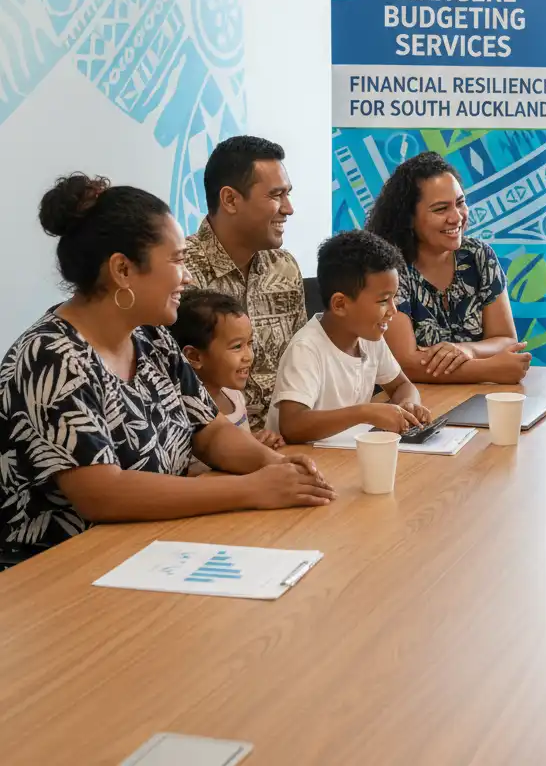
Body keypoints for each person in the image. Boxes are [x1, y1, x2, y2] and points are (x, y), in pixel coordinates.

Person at [0, 175, 334, 569]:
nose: (187, 275)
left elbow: (210, 431)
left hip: (153, 554)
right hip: (61, 576)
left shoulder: (152, 337)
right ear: (122, 270)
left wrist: (273, 466)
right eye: (176, 260)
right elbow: (104, 494)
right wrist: (250, 489)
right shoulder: (49, 357)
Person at [365, 152, 531, 384]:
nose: (456, 217)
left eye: (460, 203)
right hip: (410, 403)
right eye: (441, 209)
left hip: (474, 397)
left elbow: (506, 340)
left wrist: (467, 350)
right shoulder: (388, 267)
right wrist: (488, 369)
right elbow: (405, 364)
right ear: (409, 218)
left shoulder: (479, 255)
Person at [185, 135, 306, 430]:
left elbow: (302, 368)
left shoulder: (285, 267)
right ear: (230, 199)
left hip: (292, 437)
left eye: (287, 194)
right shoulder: (180, 273)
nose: (288, 208)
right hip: (212, 454)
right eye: (276, 195)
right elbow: (174, 391)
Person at [269, 231, 432, 444]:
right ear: (340, 305)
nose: (393, 310)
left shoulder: (369, 338)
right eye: (383, 300)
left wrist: (408, 404)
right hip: (304, 460)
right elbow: (292, 426)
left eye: (395, 298)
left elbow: (403, 386)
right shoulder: (306, 349)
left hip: (346, 456)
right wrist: (365, 412)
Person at [169, 289, 284, 450]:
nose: (248, 356)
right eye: (237, 346)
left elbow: (236, 448)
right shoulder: (187, 412)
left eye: (249, 343)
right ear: (194, 356)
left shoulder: (234, 396)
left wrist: (256, 442)